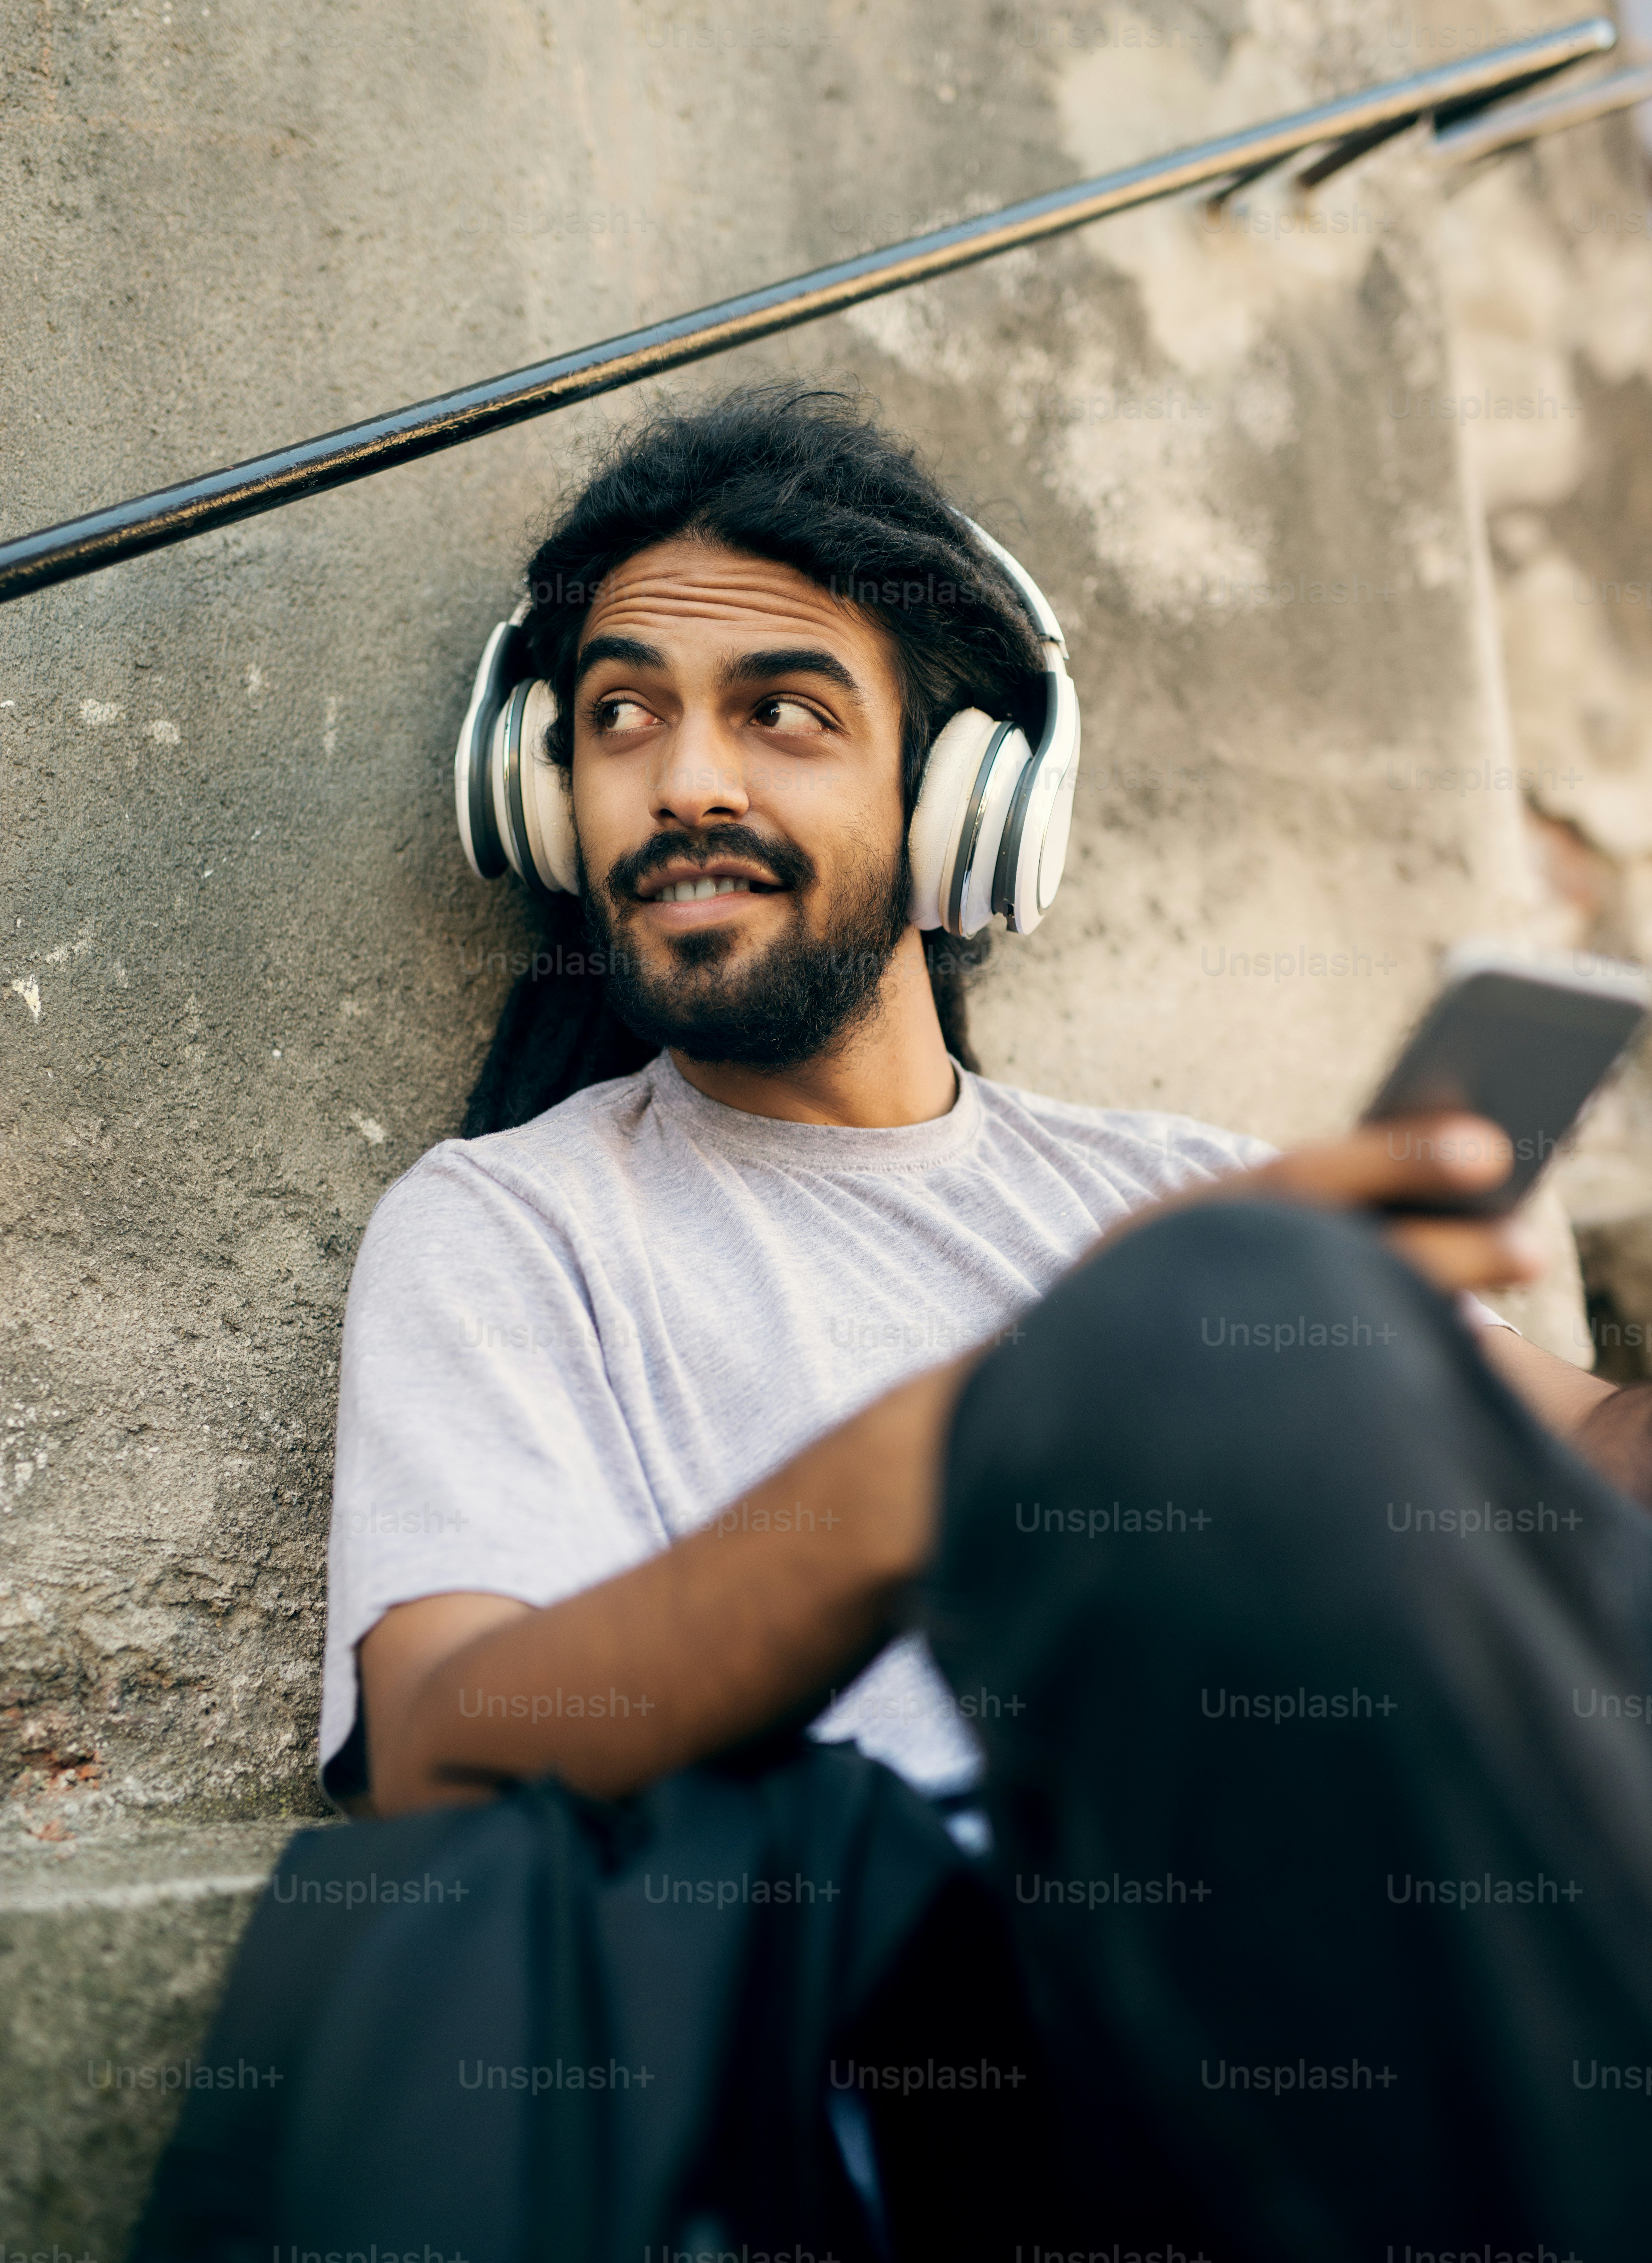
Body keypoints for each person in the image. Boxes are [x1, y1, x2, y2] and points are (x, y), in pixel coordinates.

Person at [137, 387, 1652, 2263]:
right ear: (549, 803)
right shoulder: (510, 1226)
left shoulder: (1161, 1184)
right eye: (622, 719)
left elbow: (1585, 1460)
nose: (688, 779)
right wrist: (1013, 1434)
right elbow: (449, 1739)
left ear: (953, 806)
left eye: (782, 713)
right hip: (954, 2042)